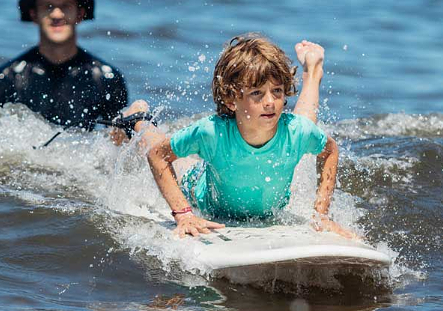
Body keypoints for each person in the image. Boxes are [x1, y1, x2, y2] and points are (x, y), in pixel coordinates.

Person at [130, 34, 354, 239]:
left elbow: (330, 150)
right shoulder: (212, 133)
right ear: (231, 100)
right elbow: (158, 155)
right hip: (199, 184)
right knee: (156, 143)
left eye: (277, 91)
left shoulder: (297, 131)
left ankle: (312, 73)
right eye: (257, 93)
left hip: (262, 183)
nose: (269, 101)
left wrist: (321, 215)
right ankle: (140, 119)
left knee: (301, 128)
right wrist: (184, 214)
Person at [0, 0, 145, 141]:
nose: (56, 15)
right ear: (34, 14)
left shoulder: (106, 78)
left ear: (79, 14)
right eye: (48, 6)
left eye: (65, 6)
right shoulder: (5, 79)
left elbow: (120, 145)